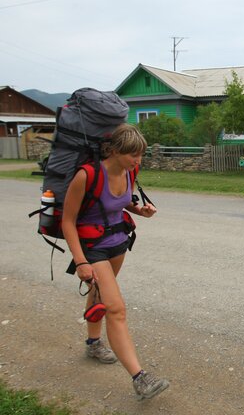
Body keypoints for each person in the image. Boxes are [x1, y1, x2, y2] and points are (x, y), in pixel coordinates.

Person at [62, 123, 169, 400]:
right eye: (133, 154)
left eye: (141, 154)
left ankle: (93, 343)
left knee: (99, 295)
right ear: (114, 151)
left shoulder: (130, 171)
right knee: (116, 309)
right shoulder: (87, 175)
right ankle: (140, 378)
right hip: (93, 248)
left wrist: (140, 210)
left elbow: (119, 202)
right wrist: (80, 262)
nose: (138, 160)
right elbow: (68, 221)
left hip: (118, 242)